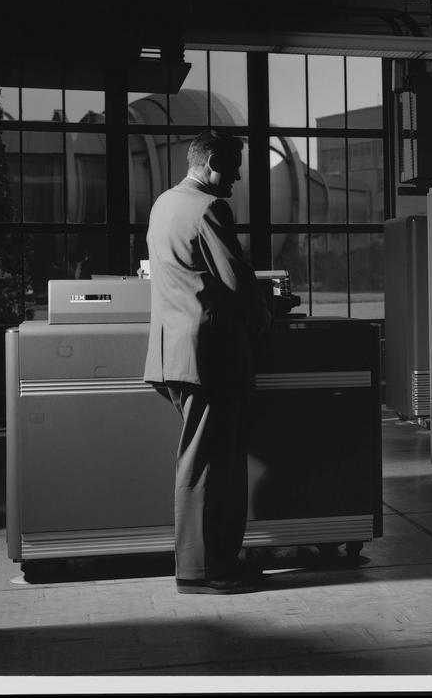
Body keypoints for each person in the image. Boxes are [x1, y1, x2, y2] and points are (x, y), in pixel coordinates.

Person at [144, 131, 272, 594]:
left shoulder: (165, 203)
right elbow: (236, 282)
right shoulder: (209, 208)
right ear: (213, 160)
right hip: (209, 357)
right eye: (234, 164)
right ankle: (200, 570)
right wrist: (266, 314)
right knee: (206, 466)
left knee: (208, 462)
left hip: (174, 354)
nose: (237, 176)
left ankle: (217, 560)